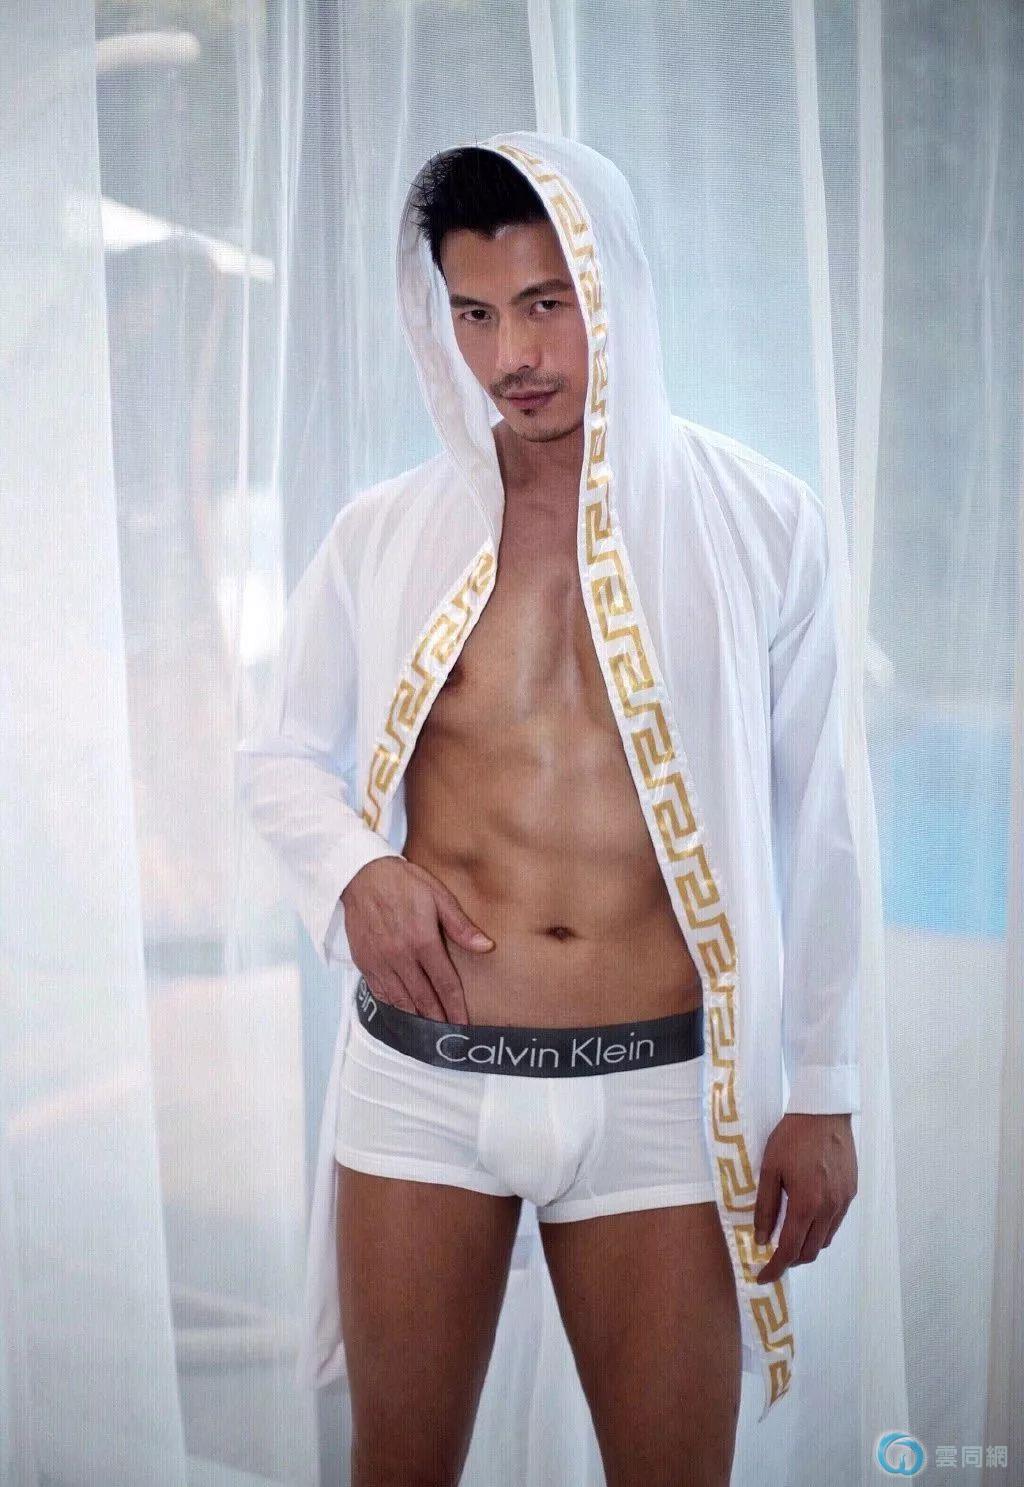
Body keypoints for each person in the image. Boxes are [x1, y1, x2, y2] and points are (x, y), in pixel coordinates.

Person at [237, 131, 864, 1487]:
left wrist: (826, 1088)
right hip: (421, 1081)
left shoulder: (762, 523)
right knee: (398, 1469)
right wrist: (354, 871)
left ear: (614, 288)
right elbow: (278, 755)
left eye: (544, 304)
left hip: (656, 1094)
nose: (512, 354)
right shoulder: (386, 532)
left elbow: (823, 818)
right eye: (474, 313)